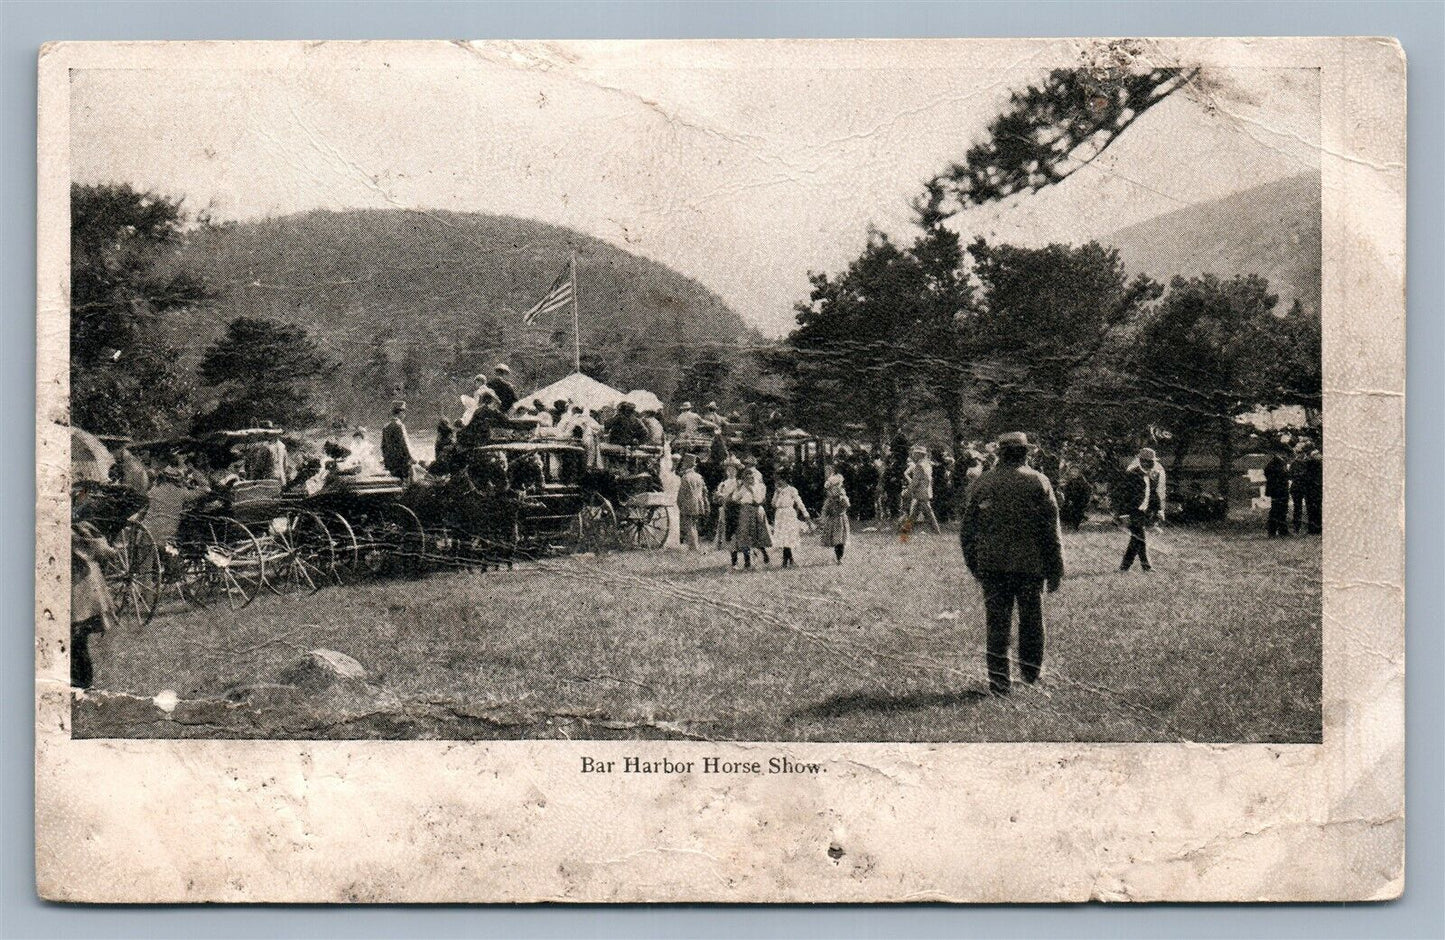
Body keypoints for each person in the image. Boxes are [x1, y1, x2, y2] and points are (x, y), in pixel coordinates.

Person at [959, 431, 1064, 695]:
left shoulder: (983, 483)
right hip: (1030, 566)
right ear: (1026, 453)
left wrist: (975, 564)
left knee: (997, 625)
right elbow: (1052, 531)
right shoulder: (1039, 481)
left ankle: (999, 681)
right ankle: (1030, 674)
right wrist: (1055, 569)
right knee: (1031, 621)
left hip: (993, 566)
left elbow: (967, 530)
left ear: (999, 454)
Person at [70, 521, 118, 690]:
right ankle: (80, 682)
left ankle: (81, 683)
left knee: (77, 639)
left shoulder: (75, 531)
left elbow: (99, 551)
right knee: (76, 640)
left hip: (81, 589)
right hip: (80, 587)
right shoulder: (77, 528)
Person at [1117, 447, 1164, 572]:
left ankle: (1124, 567)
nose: (1150, 463)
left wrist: (1159, 510)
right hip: (1131, 511)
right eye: (1147, 461)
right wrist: (1123, 514)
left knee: (1136, 538)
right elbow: (1123, 495)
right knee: (1140, 537)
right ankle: (1146, 566)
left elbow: (1154, 494)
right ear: (1141, 460)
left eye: (1152, 461)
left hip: (1144, 511)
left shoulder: (1155, 474)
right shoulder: (1131, 474)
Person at [734, 456, 773, 567]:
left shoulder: (759, 486)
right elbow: (735, 498)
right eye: (748, 477)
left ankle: (764, 553)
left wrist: (751, 489)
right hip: (745, 511)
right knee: (745, 535)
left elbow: (759, 499)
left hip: (756, 510)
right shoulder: (742, 488)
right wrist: (740, 489)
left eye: (752, 477)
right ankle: (747, 561)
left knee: (758, 534)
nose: (751, 478)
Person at [770, 466, 811, 568]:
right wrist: (777, 493)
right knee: (783, 537)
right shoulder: (777, 491)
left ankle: (786, 560)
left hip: (789, 514)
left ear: (784, 479)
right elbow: (773, 504)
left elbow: (799, 502)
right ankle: (790, 560)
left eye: (779, 479)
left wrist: (806, 514)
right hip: (780, 514)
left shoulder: (792, 490)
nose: (778, 482)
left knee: (788, 537)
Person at [901, 446, 942, 535]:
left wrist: (908, 491)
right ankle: (906, 531)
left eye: (915, 453)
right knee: (915, 513)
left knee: (927, 513)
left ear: (920, 454)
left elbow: (915, 481)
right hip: (925, 491)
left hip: (920, 492)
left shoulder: (919, 465)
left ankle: (936, 531)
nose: (913, 455)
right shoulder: (927, 464)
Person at [817, 462, 851, 564]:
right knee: (836, 540)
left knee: (840, 540)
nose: (834, 490)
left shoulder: (842, 497)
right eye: (832, 489)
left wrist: (842, 499)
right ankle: (838, 557)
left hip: (841, 519)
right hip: (833, 520)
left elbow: (847, 505)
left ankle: (839, 558)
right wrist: (822, 519)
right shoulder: (829, 500)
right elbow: (824, 510)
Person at [676, 453, 710, 552]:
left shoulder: (685, 477)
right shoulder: (699, 477)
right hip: (699, 503)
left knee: (689, 525)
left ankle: (693, 548)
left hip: (688, 503)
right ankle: (696, 546)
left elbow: (682, 493)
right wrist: (705, 503)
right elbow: (705, 491)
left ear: (686, 465)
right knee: (694, 525)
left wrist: (679, 504)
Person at [715, 455, 744, 564]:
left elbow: (742, 496)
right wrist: (720, 496)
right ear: (726, 471)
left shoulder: (739, 483)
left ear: (736, 471)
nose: (731, 472)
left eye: (733, 470)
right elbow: (719, 497)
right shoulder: (723, 484)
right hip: (727, 509)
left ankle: (746, 557)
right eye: (729, 470)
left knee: (740, 532)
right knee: (729, 533)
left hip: (738, 509)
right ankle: (734, 560)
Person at [381, 400, 419, 482]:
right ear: (400, 413)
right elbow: (404, 445)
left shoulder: (386, 427)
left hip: (391, 464)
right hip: (402, 464)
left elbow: (383, 447)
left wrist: (387, 461)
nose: (404, 415)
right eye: (404, 413)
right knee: (414, 480)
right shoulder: (400, 426)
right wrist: (411, 459)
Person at [1263, 445, 1292, 537]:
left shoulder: (1276, 463)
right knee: (1278, 510)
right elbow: (1280, 475)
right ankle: (1277, 530)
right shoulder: (1276, 463)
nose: (1286, 456)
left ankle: (1278, 530)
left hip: (1278, 489)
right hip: (1279, 490)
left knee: (1280, 509)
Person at [1060, 466, 1092, 531]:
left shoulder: (1082, 482)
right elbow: (1067, 491)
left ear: (1079, 473)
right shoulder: (1070, 481)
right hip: (1071, 500)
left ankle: (1075, 525)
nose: (1073, 473)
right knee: (1065, 510)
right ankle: (1068, 523)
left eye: (1075, 472)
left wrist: (1084, 501)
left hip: (1080, 501)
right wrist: (1068, 499)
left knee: (1077, 512)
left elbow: (1087, 492)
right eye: (1072, 471)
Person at [1290, 441, 1311, 534]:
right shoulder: (1296, 463)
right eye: (1298, 452)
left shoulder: (1308, 462)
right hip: (1298, 487)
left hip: (1305, 486)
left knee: (1309, 507)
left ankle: (1311, 527)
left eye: (1300, 452)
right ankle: (1296, 527)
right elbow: (1290, 475)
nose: (1299, 454)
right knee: (1297, 508)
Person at [1302, 444, 1323, 534]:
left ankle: (1313, 529)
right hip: (1316, 488)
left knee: (1312, 508)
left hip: (1312, 488)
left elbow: (1307, 475)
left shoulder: (1311, 462)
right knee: (1316, 508)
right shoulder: (1318, 460)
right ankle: (1317, 528)